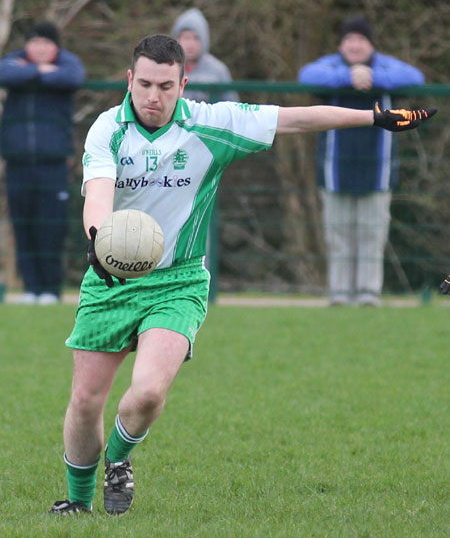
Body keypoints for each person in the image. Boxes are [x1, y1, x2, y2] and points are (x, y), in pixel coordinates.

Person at [48, 34, 434, 515]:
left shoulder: (212, 123)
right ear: (129, 79)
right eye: (144, 83)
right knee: (86, 401)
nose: (153, 96)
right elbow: (99, 191)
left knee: (146, 393)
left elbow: (294, 118)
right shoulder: (107, 129)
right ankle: (78, 505)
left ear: (183, 84)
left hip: (179, 282)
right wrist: (98, 240)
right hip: (110, 278)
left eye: (166, 86)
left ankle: (120, 460)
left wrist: (372, 117)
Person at [298, 15, 425, 306]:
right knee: (338, 234)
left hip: (377, 170)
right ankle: (340, 295)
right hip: (335, 169)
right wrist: (348, 78)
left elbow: (415, 77)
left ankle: (369, 295)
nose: (354, 45)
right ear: (341, 44)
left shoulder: (385, 67)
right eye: (349, 39)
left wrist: (372, 78)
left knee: (372, 234)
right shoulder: (331, 68)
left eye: (361, 39)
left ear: (371, 44)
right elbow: (307, 75)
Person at [0, 21, 85, 304]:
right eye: (34, 42)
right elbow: (5, 72)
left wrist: (33, 74)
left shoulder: (68, 63)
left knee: (51, 227)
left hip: (53, 164)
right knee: (22, 226)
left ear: (55, 46)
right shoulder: (15, 62)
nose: (39, 48)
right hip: (18, 162)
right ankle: (31, 289)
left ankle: (51, 289)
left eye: (46, 43)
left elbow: (73, 76)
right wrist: (39, 71)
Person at [171, 7, 239, 103]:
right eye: (186, 38)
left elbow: (232, 106)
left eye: (196, 38)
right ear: (177, 39)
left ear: (204, 40)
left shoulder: (218, 70)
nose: (191, 44)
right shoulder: (167, 67)